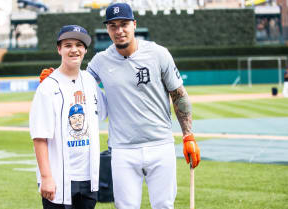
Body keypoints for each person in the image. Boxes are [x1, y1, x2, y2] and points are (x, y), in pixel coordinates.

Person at [40, 3, 200, 209]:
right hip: (123, 149)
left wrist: (188, 135)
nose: (119, 30)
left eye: (124, 24)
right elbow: (79, 85)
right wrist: (56, 77)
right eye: (113, 26)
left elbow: (179, 95)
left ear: (134, 24)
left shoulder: (158, 54)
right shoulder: (100, 61)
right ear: (108, 29)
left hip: (160, 145)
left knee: (163, 206)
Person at [29, 25, 107, 209]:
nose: (74, 49)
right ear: (59, 49)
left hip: (88, 177)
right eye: (68, 45)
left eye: (79, 45)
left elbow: (103, 112)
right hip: (58, 177)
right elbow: (40, 136)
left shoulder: (89, 81)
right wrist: (46, 177)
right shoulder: (47, 87)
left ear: (85, 50)